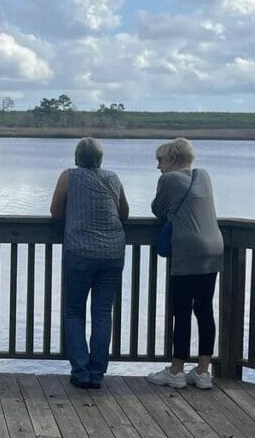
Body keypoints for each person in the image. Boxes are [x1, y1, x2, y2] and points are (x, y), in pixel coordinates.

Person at [50, 137, 129, 389]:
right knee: (102, 313)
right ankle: (97, 373)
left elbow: (55, 212)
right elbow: (123, 213)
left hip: (80, 252)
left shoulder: (69, 176)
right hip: (113, 253)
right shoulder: (113, 178)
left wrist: (74, 219)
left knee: (74, 312)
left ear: (77, 157)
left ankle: (80, 371)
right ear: (100, 158)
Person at [146, 138, 223, 390]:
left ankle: (176, 371)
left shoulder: (167, 180)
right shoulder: (204, 175)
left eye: (161, 160)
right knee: (204, 309)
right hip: (213, 248)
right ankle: (202, 371)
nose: (158, 166)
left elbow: (158, 209)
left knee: (181, 310)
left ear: (174, 159)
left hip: (188, 250)